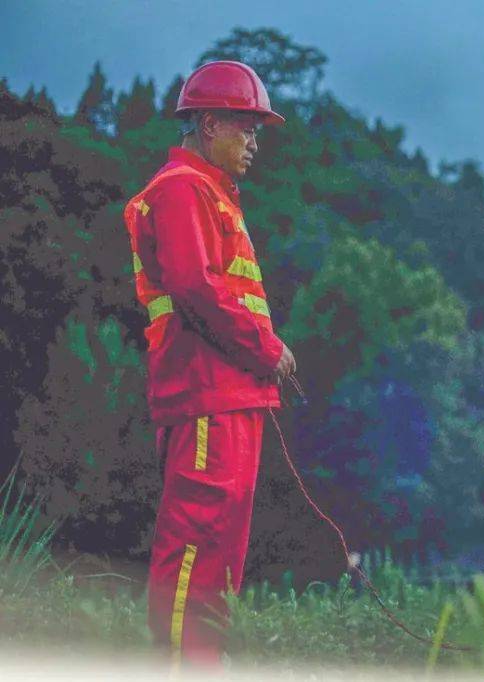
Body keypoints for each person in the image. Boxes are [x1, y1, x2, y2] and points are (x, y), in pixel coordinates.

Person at [121, 60, 296, 668]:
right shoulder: (181, 190)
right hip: (206, 391)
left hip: (233, 394)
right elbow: (196, 288)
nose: (254, 142)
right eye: (246, 128)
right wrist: (268, 349)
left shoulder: (213, 195)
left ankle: (205, 663)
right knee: (195, 542)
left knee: (222, 547)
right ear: (210, 122)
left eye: (258, 131)